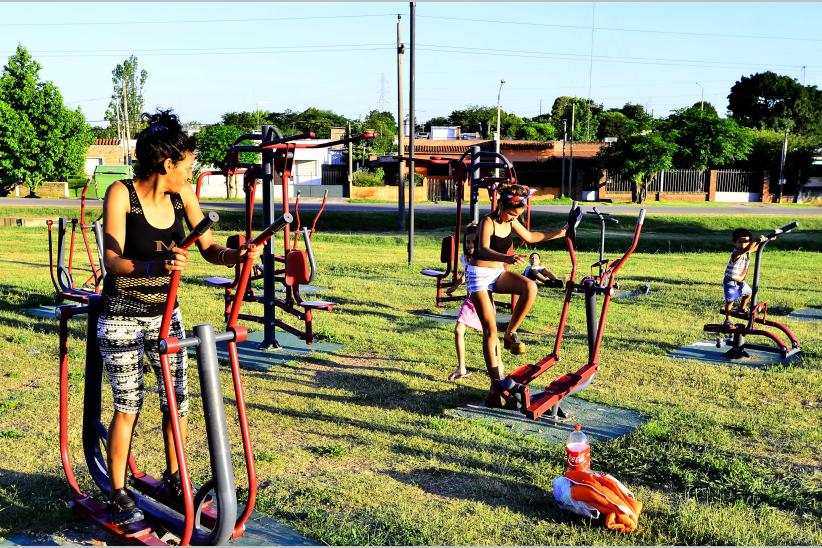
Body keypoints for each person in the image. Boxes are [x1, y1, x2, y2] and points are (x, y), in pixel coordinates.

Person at [98, 109, 262, 525]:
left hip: (165, 313)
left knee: (178, 401)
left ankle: (175, 477)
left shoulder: (182, 196)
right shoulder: (121, 193)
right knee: (129, 401)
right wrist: (155, 267)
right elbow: (112, 260)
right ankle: (117, 489)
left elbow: (208, 248)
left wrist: (235, 255)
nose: (192, 172)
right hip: (121, 313)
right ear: (166, 164)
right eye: (188, 165)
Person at [466, 184, 573, 402]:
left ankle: (511, 332)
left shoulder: (512, 220)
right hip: (478, 275)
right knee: (490, 330)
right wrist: (507, 258)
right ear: (502, 206)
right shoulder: (488, 222)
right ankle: (497, 384)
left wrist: (561, 233)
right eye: (510, 214)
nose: (512, 218)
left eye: (517, 215)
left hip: (496, 272)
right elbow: (484, 249)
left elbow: (532, 237)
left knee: (530, 287)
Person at [445, 223, 482, 381]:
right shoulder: (465, 258)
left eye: (474, 242)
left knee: (490, 335)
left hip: (484, 301)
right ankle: (462, 368)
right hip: (470, 301)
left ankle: (499, 367)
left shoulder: (485, 259)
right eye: (468, 242)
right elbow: (465, 275)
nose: (471, 245)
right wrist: (454, 286)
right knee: (458, 330)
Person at [723, 227, 766, 326]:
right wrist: (756, 240)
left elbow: (755, 248)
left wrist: (769, 238)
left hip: (740, 281)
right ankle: (728, 319)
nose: (743, 244)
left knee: (749, 293)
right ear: (735, 242)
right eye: (740, 242)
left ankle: (742, 307)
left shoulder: (747, 252)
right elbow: (749, 248)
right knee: (730, 301)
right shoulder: (736, 253)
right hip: (731, 281)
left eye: (746, 241)